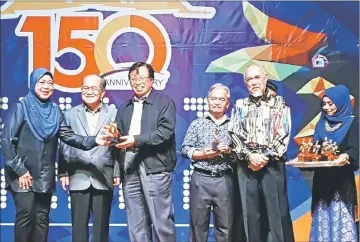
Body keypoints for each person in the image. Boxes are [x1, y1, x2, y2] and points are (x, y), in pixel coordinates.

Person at [0, 68, 107, 242]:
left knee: (42, 218)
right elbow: (7, 142)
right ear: (33, 83)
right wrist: (20, 171)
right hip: (23, 175)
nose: (46, 86)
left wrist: (95, 140)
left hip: (44, 176)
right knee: (26, 217)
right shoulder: (20, 108)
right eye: (42, 82)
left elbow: (69, 137)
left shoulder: (55, 111)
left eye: (50, 83)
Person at [104, 62, 177, 242]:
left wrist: (136, 139)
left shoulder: (164, 103)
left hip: (155, 168)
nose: (138, 82)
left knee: (162, 222)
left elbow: (164, 132)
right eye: (134, 78)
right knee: (136, 223)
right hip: (130, 169)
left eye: (142, 78)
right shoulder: (124, 107)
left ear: (151, 81)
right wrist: (113, 135)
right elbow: (119, 136)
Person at [228, 63, 294, 242]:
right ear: (245, 83)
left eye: (257, 78)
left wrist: (263, 157)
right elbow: (234, 135)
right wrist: (250, 156)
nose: (254, 82)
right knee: (250, 217)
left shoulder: (279, 103)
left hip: (271, 164)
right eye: (249, 79)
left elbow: (283, 135)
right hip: (246, 165)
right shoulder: (240, 105)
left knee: (278, 216)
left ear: (265, 79)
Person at [58, 74, 120, 242]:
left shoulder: (115, 113)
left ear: (103, 92)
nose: (89, 92)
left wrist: (117, 172)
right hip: (78, 174)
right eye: (85, 88)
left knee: (101, 229)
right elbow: (64, 143)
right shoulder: (70, 114)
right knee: (78, 228)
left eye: (93, 88)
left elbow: (118, 147)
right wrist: (63, 172)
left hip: (103, 175)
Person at [181, 83, 243, 242]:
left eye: (221, 99)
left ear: (227, 104)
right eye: (213, 98)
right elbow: (185, 148)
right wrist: (202, 154)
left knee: (226, 227)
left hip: (225, 179)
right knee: (197, 227)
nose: (216, 102)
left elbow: (241, 155)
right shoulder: (197, 123)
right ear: (207, 101)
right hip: (201, 179)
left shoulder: (235, 126)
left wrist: (229, 151)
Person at [309, 85, 358, 242]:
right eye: (324, 104)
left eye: (331, 103)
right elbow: (314, 150)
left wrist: (346, 156)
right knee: (322, 222)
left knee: (341, 222)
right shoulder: (321, 124)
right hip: (322, 182)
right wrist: (309, 157)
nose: (327, 107)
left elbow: (356, 149)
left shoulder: (352, 123)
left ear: (341, 102)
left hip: (341, 183)